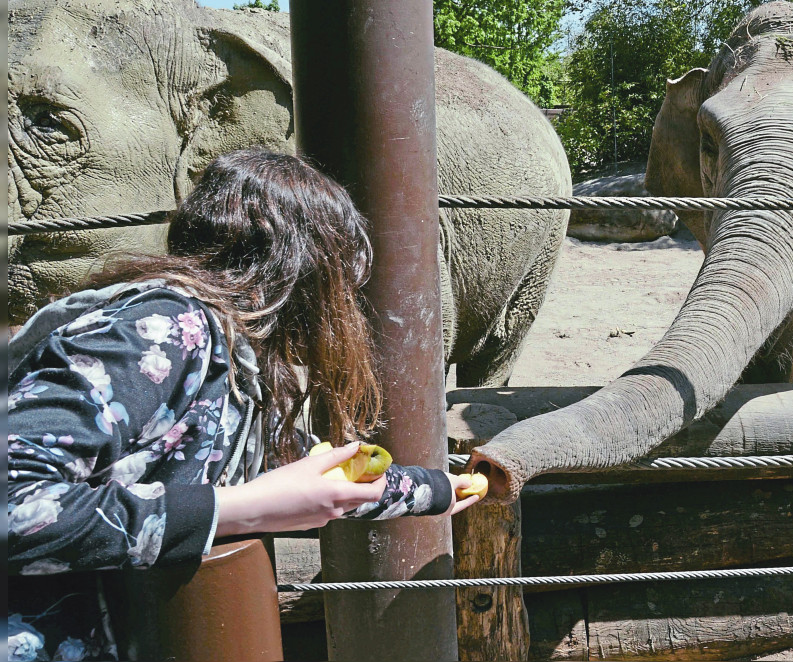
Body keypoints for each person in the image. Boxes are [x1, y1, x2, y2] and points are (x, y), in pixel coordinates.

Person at [7, 148, 479, 661]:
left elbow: (292, 467)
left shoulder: (232, 357)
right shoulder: (161, 332)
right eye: (342, 284)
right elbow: (13, 504)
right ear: (303, 270)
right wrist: (244, 511)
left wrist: (434, 490)